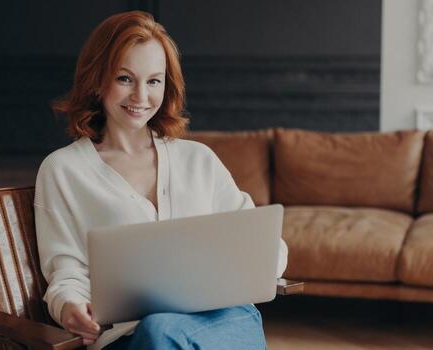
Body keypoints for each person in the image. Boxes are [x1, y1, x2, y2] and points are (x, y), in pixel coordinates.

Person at [34, 11, 288, 350]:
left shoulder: (198, 159)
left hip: (223, 321)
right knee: (158, 330)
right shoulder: (63, 170)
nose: (141, 96)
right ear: (97, 79)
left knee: (168, 329)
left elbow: (263, 245)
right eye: (125, 78)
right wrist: (69, 308)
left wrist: (263, 263)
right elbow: (65, 270)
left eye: (154, 81)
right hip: (131, 337)